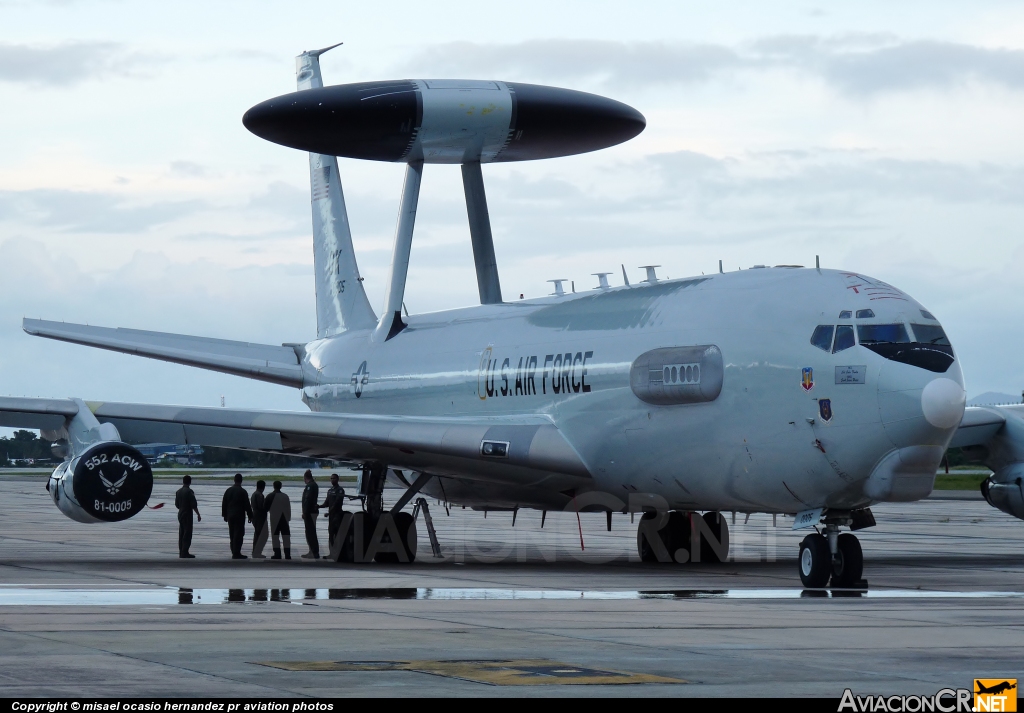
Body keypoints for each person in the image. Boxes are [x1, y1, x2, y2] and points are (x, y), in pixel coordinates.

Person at [221, 473, 253, 559]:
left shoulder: (228, 491)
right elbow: (247, 505)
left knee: (232, 534)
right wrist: (250, 515)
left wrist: (224, 515)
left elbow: (224, 503)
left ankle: (234, 551)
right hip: (239, 516)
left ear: (234, 480)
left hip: (230, 515)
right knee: (238, 534)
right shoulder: (243, 491)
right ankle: (236, 552)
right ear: (241, 481)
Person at [174, 475, 201, 558]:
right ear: (190, 482)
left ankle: (181, 551)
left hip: (180, 513)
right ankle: (185, 551)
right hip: (187, 514)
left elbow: (177, 505)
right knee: (187, 533)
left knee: (181, 533)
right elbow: (194, 505)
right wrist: (198, 514)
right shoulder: (189, 492)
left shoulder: (178, 491)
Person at [264, 480, 292, 559]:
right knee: (286, 536)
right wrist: (288, 517)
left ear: (273, 486)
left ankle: (277, 553)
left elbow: (265, 508)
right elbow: (288, 508)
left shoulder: (270, 496)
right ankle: (287, 554)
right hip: (284, 519)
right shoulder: (285, 496)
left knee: (275, 537)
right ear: (281, 486)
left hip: (274, 519)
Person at [319, 473, 346, 551]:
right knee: (331, 534)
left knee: (337, 533)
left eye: (334, 478)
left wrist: (329, 513)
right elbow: (326, 503)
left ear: (337, 479)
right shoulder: (330, 491)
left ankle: (339, 551)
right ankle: (332, 552)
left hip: (337, 515)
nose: (332, 480)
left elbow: (337, 503)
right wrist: (319, 506)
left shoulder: (340, 490)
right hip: (331, 516)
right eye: (331, 478)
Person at [301, 470, 320, 559]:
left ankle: (313, 552)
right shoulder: (314, 485)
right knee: (311, 532)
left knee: (310, 532)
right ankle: (312, 551)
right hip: (312, 512)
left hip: (309, 513)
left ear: (305, 478)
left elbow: (307, 500)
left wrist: (305, 512)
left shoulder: (310, 486)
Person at [251, 480, 268, 559]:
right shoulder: (259, 495)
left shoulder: (254, 494)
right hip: (260, 516)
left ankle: (256, 551)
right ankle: (257, 552)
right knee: (262, 535)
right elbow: (261, 507)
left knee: (257, 534)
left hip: (255, 515)